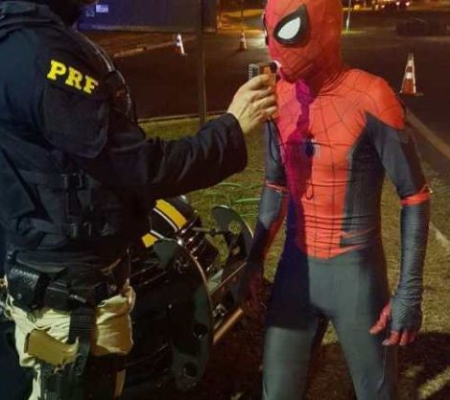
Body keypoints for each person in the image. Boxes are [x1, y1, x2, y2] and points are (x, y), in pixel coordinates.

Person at [0, 1, 277, 399]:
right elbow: (141, 167)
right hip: (72, 301)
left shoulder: (22, 38)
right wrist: (230, 129)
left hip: (58, 281)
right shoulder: (39, 54)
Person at [239, 0, 430, 398]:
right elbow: (276, 184)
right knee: (276, 391)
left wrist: (409, 291)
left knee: (377, 393)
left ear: (327, 26)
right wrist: (254, 258)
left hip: (356, 277)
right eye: (268, 31)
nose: (275, 47)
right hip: (296, 270)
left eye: (289, 31)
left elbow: (414, 195)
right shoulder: (279, 95)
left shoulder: (372, 96)